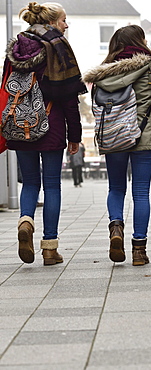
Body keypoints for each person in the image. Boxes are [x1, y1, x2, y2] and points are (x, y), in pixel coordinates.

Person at [83, 25, 151, 266]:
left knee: (116, 188)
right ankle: (139, 250)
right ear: (140, 41)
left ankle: (115, 227)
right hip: (144, 136)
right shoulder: (150, 66)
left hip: (113, 137)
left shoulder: (102, 73)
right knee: (141, 191)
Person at [3, 2, 87, 265]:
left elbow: (7, 87)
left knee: (29, 182)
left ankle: (25, 220)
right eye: (64, 20)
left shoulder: (15, 47)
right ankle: (50, 248)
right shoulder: (58, 47)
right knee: (52, 185)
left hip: (20, 125)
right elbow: (69, 95)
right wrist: (75, 134)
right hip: (51, 123)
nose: (66, 24)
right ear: (51, 22)